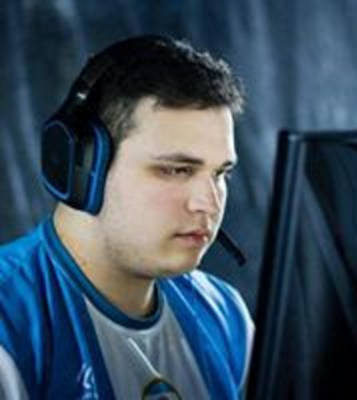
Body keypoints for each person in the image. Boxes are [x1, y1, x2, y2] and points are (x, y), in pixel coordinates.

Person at [0, 35, 253, 399]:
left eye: (220, 173)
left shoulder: (225, 316)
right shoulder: (9, 326)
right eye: (177, 170)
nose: (208, 203)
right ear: (82, 167)